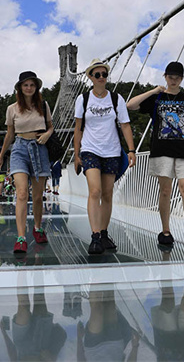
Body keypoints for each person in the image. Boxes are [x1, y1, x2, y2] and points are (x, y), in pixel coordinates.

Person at [127, 62, 184, 250]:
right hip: (162, 150)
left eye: (177, 77)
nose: (173, 80)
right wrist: (153, 91)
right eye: (170, 77)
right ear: (165, 76)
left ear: (182, 79)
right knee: (165, 190)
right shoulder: (157, 98)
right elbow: (130, 105)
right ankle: (165, 231)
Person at [73, 59, 136, 255]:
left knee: (107, 193)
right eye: (97, 74)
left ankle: (104, 233)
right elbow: (78, 128)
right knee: (95, 191)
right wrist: (76, 154)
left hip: (112, 151)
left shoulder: (116, 99)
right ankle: (94, 236)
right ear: (90, 77)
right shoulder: (83, 99)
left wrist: (131, 150)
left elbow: (125, 125)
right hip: (90, 149)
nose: (101, 78)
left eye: (104, 74)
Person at [0, 71, 53, 254]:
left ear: (36, 87)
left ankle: (37, 227)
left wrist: (47, 134)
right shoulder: (12, 108)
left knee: (37, 196)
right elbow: (10, 134)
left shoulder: (43, 105)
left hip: (39, 148)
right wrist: (1, 155)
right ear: (20, 88)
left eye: (32, 85)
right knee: (21, 194)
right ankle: (21, 238)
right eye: (25, 85)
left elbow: (51, 126)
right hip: (19, 149)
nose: (29, 88)